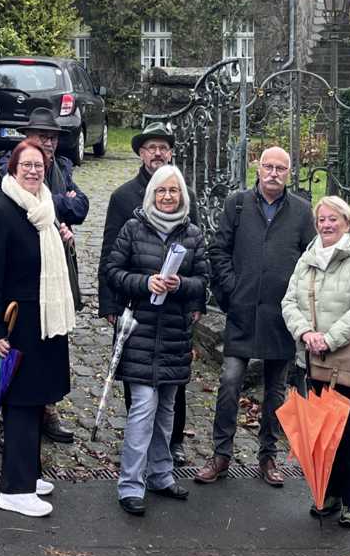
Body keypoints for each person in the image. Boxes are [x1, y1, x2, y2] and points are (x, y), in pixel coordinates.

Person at [197, 146, 313, 487]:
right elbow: (218, 250)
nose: (274, 173)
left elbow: (310, 261)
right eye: (268, 166)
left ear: (289, 172)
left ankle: (268, 456)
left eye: (281, 168)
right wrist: (232, 291)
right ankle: (221, 454)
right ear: (258, 168)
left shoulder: (302, 211)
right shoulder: (237, 204)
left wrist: (295, 301)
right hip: (243, 312)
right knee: (230, 381)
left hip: (280, 316)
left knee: (275, 391)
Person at [103, 164, 210, 517]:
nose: (167, 196)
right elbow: (113, 271)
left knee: (166, 410)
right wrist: (145, 282)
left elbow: (203, 280)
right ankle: (130, 484)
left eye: (173, 191)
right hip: (141, 331)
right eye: (161, 190)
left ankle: (161, 474)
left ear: (182, 196)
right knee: (143, 409)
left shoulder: (192, 234)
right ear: (151, 195)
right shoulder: (133, 229)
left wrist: (182, 286)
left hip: (175, 334)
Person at [0, 138, 75, 518]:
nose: (34, 171)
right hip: (17, 325)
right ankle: (14, 489)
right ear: (13, 169)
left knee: (36, 399)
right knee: (20, 403)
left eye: (39, 165)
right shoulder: (1, 212)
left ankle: (29, 474)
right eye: (27, 165)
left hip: (45, 322)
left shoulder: (43, 208)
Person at [97, 122, 199, 464]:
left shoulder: (185, 194)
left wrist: (195, 300)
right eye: (151, 147)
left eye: (163, 147)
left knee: (174, 379)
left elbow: (198, 255)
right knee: (136, 376)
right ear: (141, 153)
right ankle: (137, 441)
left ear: (170, 153)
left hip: (174, 309)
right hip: (136, 305)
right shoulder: (123, 197)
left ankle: (173, 441)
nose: (158, 153)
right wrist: (109, 303)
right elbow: (110, 254)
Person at [280, 195, 350, 529]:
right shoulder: (307, 257)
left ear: (347, 222)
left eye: (333, 219)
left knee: (345, 428)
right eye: (321, 219)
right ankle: (328, 492)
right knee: (321, 428)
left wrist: (329, 339)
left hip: (346, 359)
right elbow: (289, 301)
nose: (326, 225)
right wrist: (306, 333)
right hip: (311, 355)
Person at [0, 107, 86, 445]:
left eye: (53, 137)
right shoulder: (13, 165)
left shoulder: (62, 167)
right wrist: (61, 205)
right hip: (23, 278)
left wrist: (58, 207)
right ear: (28, 138)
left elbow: (82, 207)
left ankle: (47, 411)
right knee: (18, 353)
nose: (48, 143)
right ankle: (8, 422)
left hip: (56, 273)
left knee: (51, 346)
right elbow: (12, 205)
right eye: (42, 137)